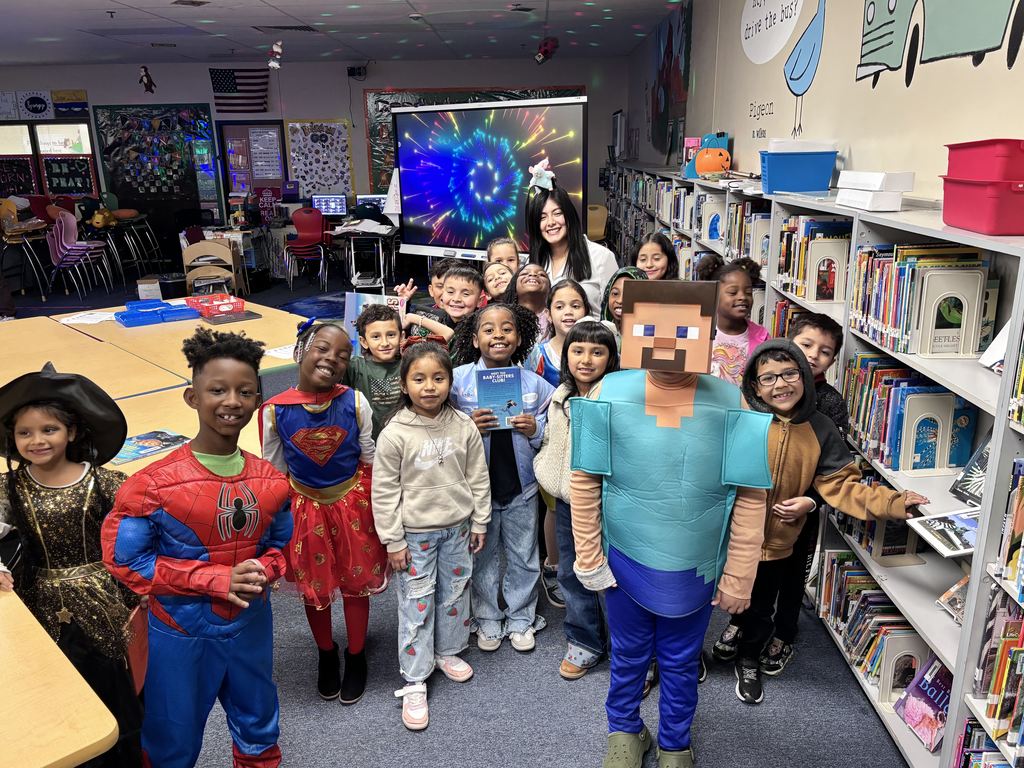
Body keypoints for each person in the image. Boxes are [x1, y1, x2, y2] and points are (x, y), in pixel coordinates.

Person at [569, 279, 772, 768]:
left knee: (681, 661)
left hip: (696, 564)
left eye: (683, 330)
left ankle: (676, 742)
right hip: (625, 556)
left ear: (705, 335)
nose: (668, 342)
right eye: (654, 329)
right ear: (634, 330)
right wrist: (590, 555)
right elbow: (584, 480)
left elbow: (749, 496)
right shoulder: (609, 391)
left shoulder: (730, 400)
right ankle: (624, 731)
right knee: (629, 652)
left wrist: (740, 574)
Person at [102, 329, 292, 768]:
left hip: (250, 627)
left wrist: (264, 569)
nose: (232, 402)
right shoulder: (150, 486)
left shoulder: (272, 481)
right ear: (192, 397)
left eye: (246, 392)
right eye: (217, 390)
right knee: (171, 740)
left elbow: (283, 546)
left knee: (260, 727)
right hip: (179, 634)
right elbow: (125, 561)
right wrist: (214, 578)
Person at [727, 339, 929, 706]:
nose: (780, 384)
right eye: (768, 377)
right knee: (729, 600)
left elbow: (845, 486)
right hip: (735, 538)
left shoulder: (820, 427)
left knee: (761, 607)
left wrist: (895, 503)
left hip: (780, 543)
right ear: (754, 386)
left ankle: (747, 657)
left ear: (804, 376)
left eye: (789, 373)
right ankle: (719, 644)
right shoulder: (744, 421)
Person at [0, 364, 142, 767]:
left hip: (105, 601)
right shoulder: (9, 488)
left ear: (73, 432)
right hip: (38, 600)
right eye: (24, 432)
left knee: (115, 686)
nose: (36, 440)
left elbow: (143, 534)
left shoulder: (106, 482)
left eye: (49, 430)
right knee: (57, 692)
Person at [260, 320, 388, 705]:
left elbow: (369, 457)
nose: (331, 358)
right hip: (304, 508)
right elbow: (274, 469)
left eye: (342, 354)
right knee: (314, 586)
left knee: (355, 582)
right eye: (322, 348)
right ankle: (326, 652)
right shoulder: (273, 411)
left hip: (352, 502)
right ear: (302, 350)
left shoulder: (355, 401)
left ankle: (356, 654)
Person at [712, 312, 849, 672]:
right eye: (806, 346)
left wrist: (812, 501)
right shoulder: (758, 401)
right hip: (755, 516)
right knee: (748, 575)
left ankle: (780, 637)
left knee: (786, 585)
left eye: (826, 352)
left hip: (797, 517)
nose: (814, 356)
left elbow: (832, 469)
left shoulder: (828, 407)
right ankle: (740, 625)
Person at [371, 342, 490, 730]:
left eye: (438, 378)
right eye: (419, 378)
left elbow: (477, 476)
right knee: (417, 603)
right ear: (404, 384)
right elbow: (384, 490)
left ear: (450, 381)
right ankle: (415, 676)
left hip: (457, 528)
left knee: (456, 593)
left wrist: (480, 521)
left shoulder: (463, 424)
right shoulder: (395, 433)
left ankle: (448, 650)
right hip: (414, 536)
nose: (429, 386)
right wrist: (393, 540)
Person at [449, 303, 555, 652]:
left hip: (521, 487)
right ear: (476, 339)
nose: (498, 335)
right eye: (489, 329)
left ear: (519, 337)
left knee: (524, 554)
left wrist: (535, 427)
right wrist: (467, 426)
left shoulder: (535, 385)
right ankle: (488, 617)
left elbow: (556, 428)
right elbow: (440, 429)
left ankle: (522, 617)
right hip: (477, 490)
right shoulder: (458, 382)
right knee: (483, 555)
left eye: (507, 329)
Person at [534, 321, 618, 680]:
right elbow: (553, 440)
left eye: (597, 352)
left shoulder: (616, 396)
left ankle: (630, 645)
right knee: (570, 571)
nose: (586, 359)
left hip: (611, 502)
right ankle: (585, 640)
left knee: (616, 575)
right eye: (577, 351)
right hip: (568, 500)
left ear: (611, 358)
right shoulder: (562, 395)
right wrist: (545, 466)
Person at [533, 278, 593, 609]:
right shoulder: (539, 354)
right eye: (559, 306)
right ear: (548, 313)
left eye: (575, 305)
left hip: (589, 440)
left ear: (586, 310)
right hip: (553, 439)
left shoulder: (596, 346)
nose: (568, 312)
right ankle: (553, 566)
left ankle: (586, 566)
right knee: (555, 506)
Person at [526, 181, 618, 311]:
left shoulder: (601, 257)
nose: (551, 222)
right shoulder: (533, 263)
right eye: (542, 218)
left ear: (569, 215)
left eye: (557, 213)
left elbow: (615, 313)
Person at [694, 254, 770, 386]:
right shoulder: (699, 331)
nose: (742, 297)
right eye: (733, 292)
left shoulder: (762, 337)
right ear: (714, 295)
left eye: (748, 292)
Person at [345, 303, 403, 440]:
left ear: (401, 336)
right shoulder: (355, 367)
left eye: (391, 335)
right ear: (364, 342)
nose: (385, 343)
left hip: (403, 441)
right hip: (368, 443)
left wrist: (412, 318)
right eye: (376, 337)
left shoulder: (409, 364)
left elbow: (447, 335)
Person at [405, 266, 485, 345]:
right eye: (450, 292)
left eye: (466, 294)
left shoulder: (483, 327)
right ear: (443, 295)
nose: (456, 299)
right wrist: (403, 303)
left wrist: (414, 318)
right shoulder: (426, 315)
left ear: (479, 300)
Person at [502, 263, 553, 340]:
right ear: (514, 285)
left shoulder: (555, 317)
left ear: (549, 289)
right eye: (524, 273)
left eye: (542, 275)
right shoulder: (504, 316)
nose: (533, 274)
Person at [600, 266, 648, 349]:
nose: (620, 300)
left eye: (629, 294)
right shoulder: (598, 333)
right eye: (615, 293)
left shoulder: (649, 337)